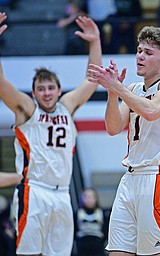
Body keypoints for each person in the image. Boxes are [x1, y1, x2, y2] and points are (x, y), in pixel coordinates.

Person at [0, 12, 102, 256]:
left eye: (50, 88)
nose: (46, 93)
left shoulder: (67, 106)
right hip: (34, 190)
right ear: (34, 93)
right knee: (29, 253)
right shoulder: (27, 109)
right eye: (41, 89)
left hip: (63, 194)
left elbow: (92, 80)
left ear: (59, 90)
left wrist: (95, 42)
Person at [86, 25, 160, 256]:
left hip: (157, 177)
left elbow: (152, 111)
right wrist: (113, 93)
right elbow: (113, 128)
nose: (140, 56)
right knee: (117, 252)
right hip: (129, 179)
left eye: (148, 53)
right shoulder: (132, 89)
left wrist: (117, 87)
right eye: (139, 50)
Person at [74, 188, 109, 256]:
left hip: (98, 247)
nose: (88, 199)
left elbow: (106, 231)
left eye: (90, 197)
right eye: (85, 197)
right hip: (82, 248)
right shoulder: (77, 214)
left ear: (95, 198)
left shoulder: (102, 213)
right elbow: (74, 231)